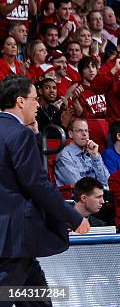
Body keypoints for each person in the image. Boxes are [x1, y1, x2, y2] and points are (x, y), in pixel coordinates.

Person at [0, 75, 89, 291]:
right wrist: (73, 217)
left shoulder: (16, 132)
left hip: (12, 239)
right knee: (6, 294)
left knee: (34, 298)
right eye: (34, 99)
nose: (38, 104)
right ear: (20, 101)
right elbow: (37, 183)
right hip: (16, 237)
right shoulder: (20, 134)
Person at [54, 118, 110, 187]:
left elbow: (106, 180)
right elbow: (78, 186)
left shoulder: (91, 152)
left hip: (98, 194)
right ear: (70, 134)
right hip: (80, 196)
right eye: (80, 131)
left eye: (86, 131)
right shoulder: (64, 155)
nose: (84, 134)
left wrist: (95, 156)